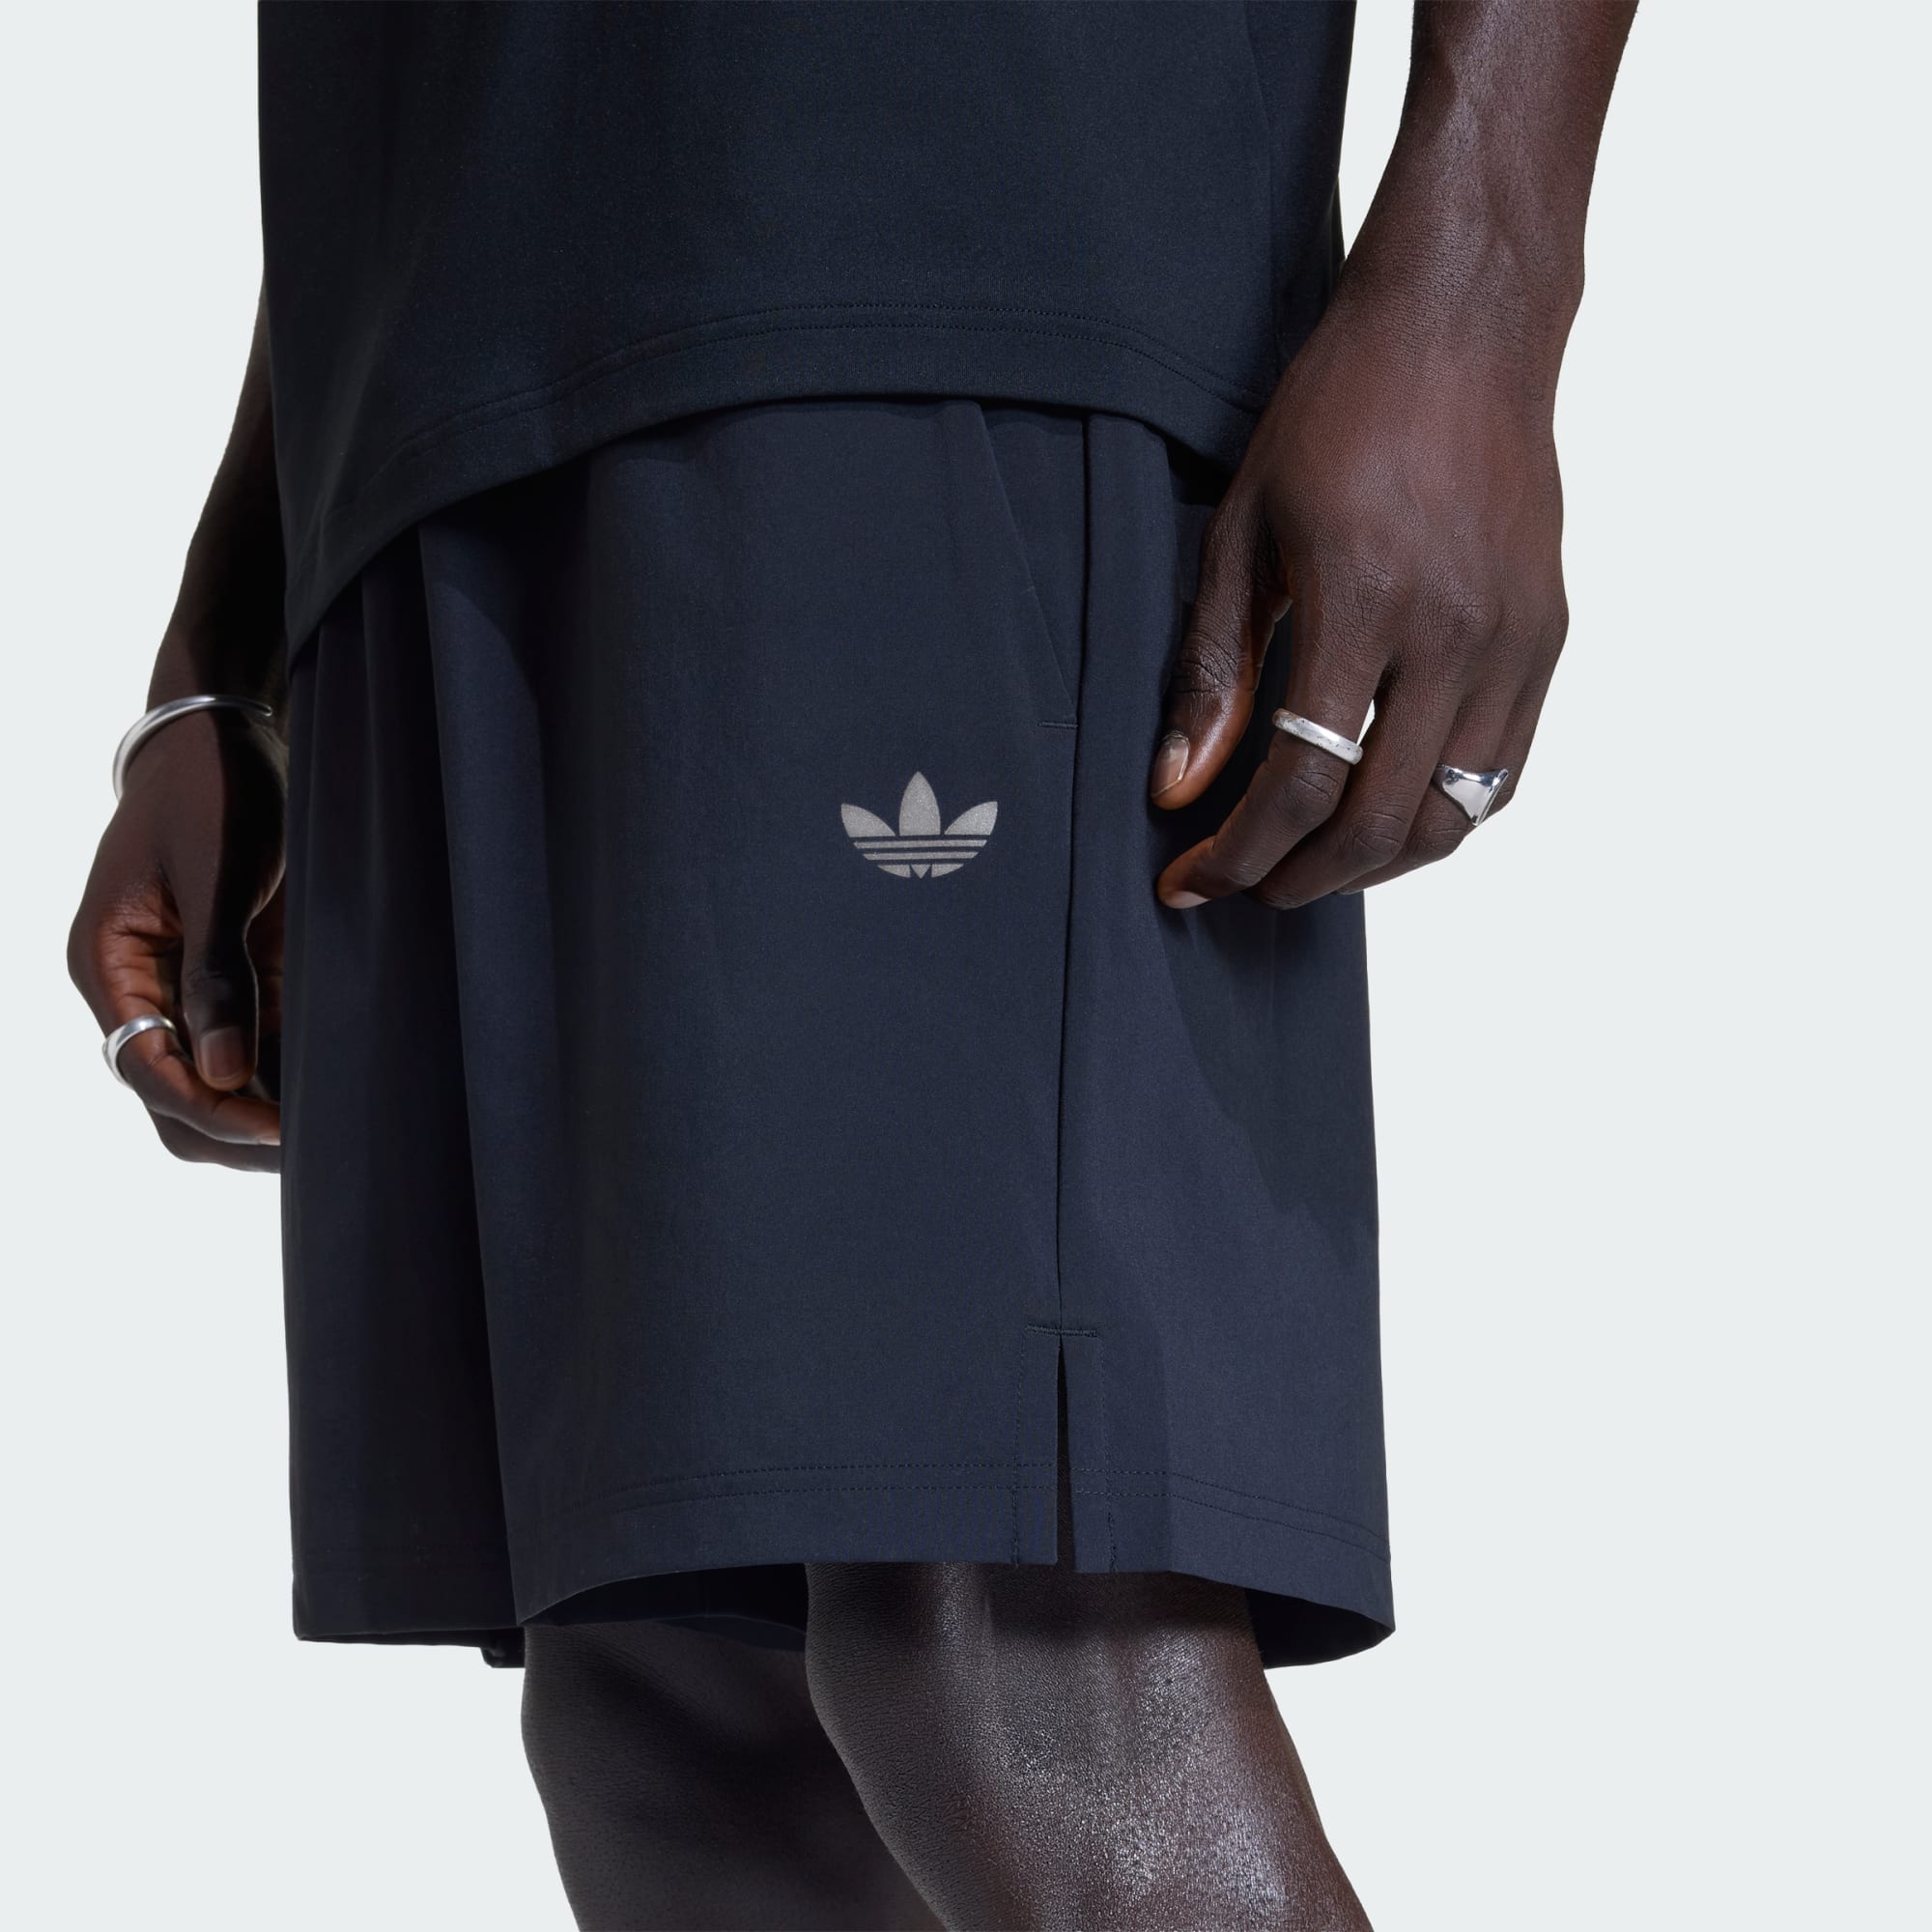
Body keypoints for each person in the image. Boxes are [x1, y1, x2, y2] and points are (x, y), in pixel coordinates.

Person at [68, 4, 1633, 1924]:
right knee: (673, 1718)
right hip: (444, 404)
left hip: (939, 243)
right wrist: (229, 646)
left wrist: (1482, 276)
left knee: (1009, 1638)